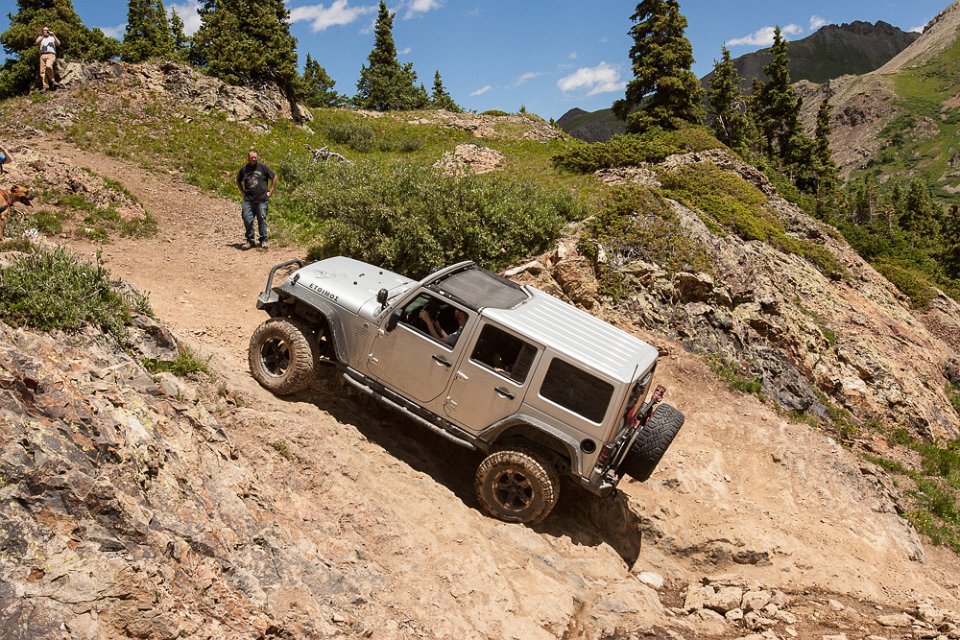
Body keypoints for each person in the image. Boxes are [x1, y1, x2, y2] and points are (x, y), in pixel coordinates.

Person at [236, 149, 277, 249]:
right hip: (248, 200)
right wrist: (242, 192)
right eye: (252, 157)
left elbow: (274, 176)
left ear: (257, 157)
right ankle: (250, 240)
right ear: (248, 158)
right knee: (247, 218)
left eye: (255, 157)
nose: (254, 159)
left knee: (261, 219)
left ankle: (264, 240)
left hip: (262, 199)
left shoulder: (263, 167)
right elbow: (238, 180)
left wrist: (271, 191)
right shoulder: (244, 169)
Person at [35, 26, 61, 92]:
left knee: (48, 66)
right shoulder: (41, 38)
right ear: (42, 31)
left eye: (47, 30)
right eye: (45, 30)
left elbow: (58, 43)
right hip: (42, 55)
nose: (46, 31)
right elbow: (36, 42)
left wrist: (53, 34)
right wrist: (41, 37)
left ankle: (53, 80)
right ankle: (45, 86)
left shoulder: (52, 37)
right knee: (42, 72)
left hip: (51, 54)